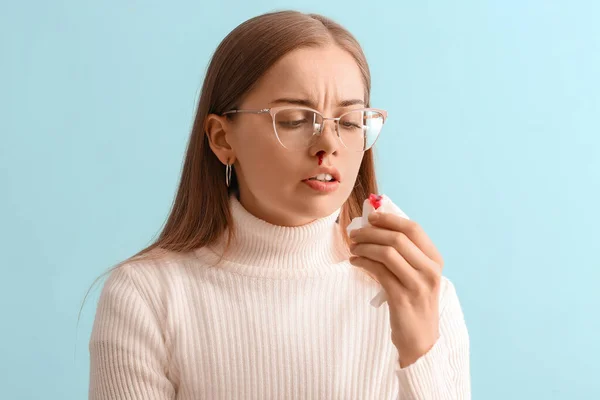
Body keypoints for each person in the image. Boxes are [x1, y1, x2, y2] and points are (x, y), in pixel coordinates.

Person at [88, 10, 471, 399]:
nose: (329, 145)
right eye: (294, 119)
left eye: (351, 121)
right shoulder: (145, 296)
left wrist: (419, 346)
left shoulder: (426, 296)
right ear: (222, 139)